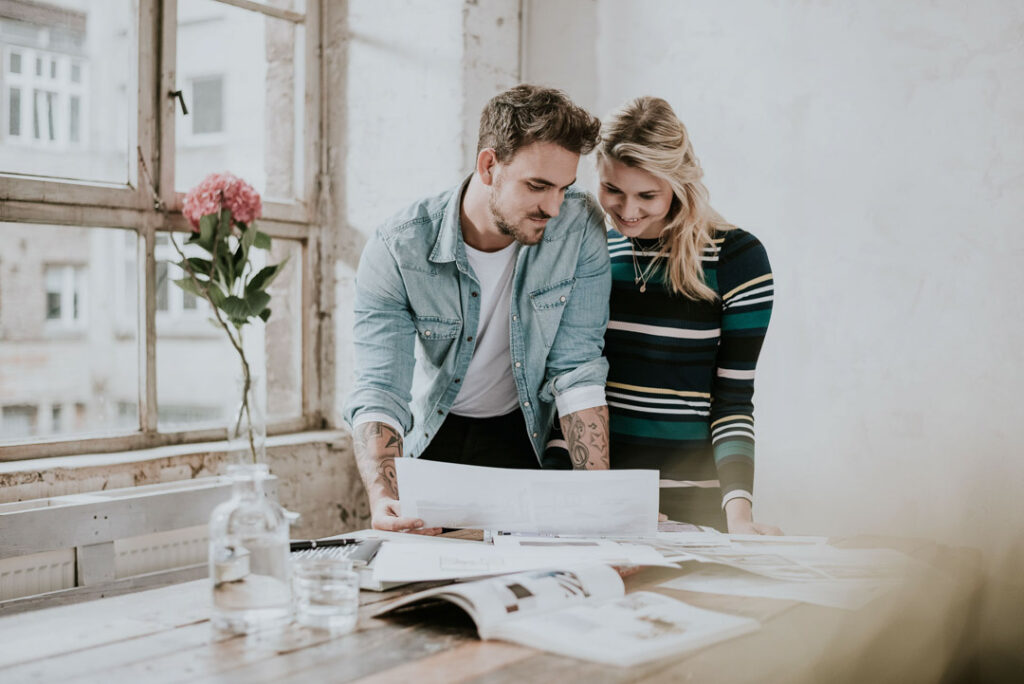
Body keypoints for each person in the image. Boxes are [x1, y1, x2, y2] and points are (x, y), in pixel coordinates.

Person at [344, 85, 613, 534]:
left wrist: (601, 502)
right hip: (436, 434)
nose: (553, 206)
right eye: (538, 185)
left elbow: (577, 369)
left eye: (564, 188)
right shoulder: (398, 248)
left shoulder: (578, 225)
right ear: (489, 165)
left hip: (522, 433)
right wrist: (384, 498)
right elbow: (379, 389)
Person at [595, 96, 781, 534]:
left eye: (647, 195)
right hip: (601, 500)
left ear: (678, 183)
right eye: (612, 190)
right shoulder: (594, 252)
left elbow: (733, 401)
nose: (627, 210)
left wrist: (740, 516)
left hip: (693, 508)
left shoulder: (737, 258)